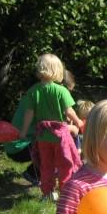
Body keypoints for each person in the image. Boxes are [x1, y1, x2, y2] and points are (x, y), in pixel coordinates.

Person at [18, 53, 82, 201]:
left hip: (43, 136)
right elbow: (69, 111)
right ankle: (65, 193)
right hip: (61, 137)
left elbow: (29, 113)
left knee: (46, 165)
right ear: (58, 70)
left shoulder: (33, 91)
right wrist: (78, 121)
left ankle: (48, 193)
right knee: (65, 164)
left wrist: (24, 131)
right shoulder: (61, 91)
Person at [4, 95, 40, 186]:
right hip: (20, 148)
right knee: (52, 145)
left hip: (12, 147)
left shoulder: (31, 95)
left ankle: (36, 173)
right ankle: (32, 174)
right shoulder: (42, 103)